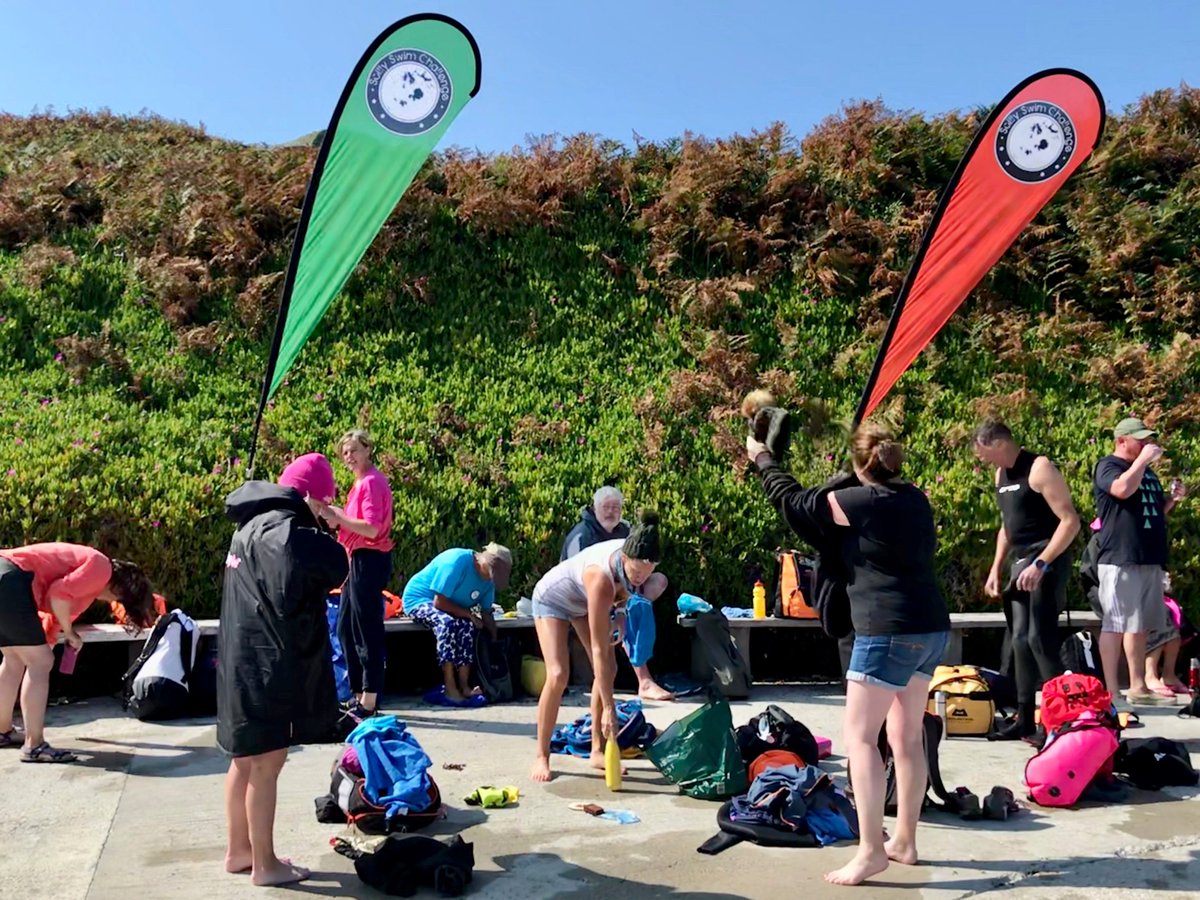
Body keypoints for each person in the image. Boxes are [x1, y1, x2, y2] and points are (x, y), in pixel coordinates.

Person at [748, 422, 949, 886]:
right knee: (906, 737)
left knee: (860, 740)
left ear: (860, 465)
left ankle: (871, 851)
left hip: (886, 632)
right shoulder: (916, 498)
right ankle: (906, 840)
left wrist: (763, 457)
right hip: (931, 625)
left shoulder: (855, 502)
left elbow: (796, 503)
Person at [218, 453, 349, 886]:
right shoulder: (287, 531)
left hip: (239, 657)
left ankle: (239, 851)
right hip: (268, 661)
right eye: (325, 501)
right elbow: (334, 566)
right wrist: (326, 525)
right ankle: (265, 865)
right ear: (311, 496)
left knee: (243, 758)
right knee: (267, 764)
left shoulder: (249, 526)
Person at [529, 511, 665, 783]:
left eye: (646, 574)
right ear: (624, 559)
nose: (639, 578)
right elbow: (598, 648)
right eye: (636, 572)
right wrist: (610, 710)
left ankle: (596, 751)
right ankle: (542, 755)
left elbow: (625, 600)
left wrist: (621, 619)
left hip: (580, 601)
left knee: (610, 669)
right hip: (552, 600)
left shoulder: (634, 570)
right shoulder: (601, 577)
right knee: (558, 674)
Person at [973, 419, 1080, 739]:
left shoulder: (1039, 468)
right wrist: (996, 568)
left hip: (1047, 561)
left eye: (983, 453)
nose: (981, 459)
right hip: (1021, 564)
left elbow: (1070, 521)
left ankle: (1063, 720)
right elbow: (1008, 526)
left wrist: (1042, 564)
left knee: (1039, 638)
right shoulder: (1000, 474)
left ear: (999, 444)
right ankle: (1024, 719)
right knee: (1019, 640)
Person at [0, 543, 155, 763]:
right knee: (40, 662)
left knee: (14, 659)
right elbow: (57, 595)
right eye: (120, 600)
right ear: (121, 589)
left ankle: (3, 732)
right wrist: (69, 635)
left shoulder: (87, 587)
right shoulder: (101, 569)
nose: (113, 603)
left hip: (5, 576)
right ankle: (34, 745)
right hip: (12, 580)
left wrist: (53, 641)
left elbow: (53, 618)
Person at [1093, 417, 1186, 705]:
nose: (1147, 445)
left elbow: (1151, 511)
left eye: (1148, 441)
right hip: (1121, 557)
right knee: (1119, 623)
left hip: (1148, 558)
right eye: (1141, 440)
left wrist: (1171, 500)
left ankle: (1138, 685)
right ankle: (1116, 688)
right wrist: (1142, 462)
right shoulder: (1109, 466)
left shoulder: (1145, 473)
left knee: (1142, 623)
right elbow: (1120, 490)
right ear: (1122, 441)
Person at [559, 486, 673, 701]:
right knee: (629, 609)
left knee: (652, 588)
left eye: (615, 507)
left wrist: (623, 602)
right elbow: (576, 580)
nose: (611, 512)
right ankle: (643, 680)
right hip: (582, 598)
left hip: (618, 594)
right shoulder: (581, 535)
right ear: (595, 508)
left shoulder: (626, 532)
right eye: (606, 507)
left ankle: (642, 669)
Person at [321, 429, 394, 718]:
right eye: (345, 452)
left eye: (353, 450)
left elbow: (372, 528)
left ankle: (370, 697)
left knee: (366, 628)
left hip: (369, 558)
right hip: (356, 559)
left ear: (367, 450)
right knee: (346, 627)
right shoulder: (360, 483)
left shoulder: (372, 483)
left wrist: (338, 517)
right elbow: (355, 523)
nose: (348, 456)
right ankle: (358, 693)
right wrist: (337, 518)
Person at [403, 544, 512, 702]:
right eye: (491, 573)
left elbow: (486, 613)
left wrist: (494, 641)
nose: (490, 579)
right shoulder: (456, 562)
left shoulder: (489, 583)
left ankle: (465, 686)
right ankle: (450, 688)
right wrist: (469, 614)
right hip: (420, 600)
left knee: (467, 626)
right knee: (446, 624)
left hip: (452, 608)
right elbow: (439, 602)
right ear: (482, 562)